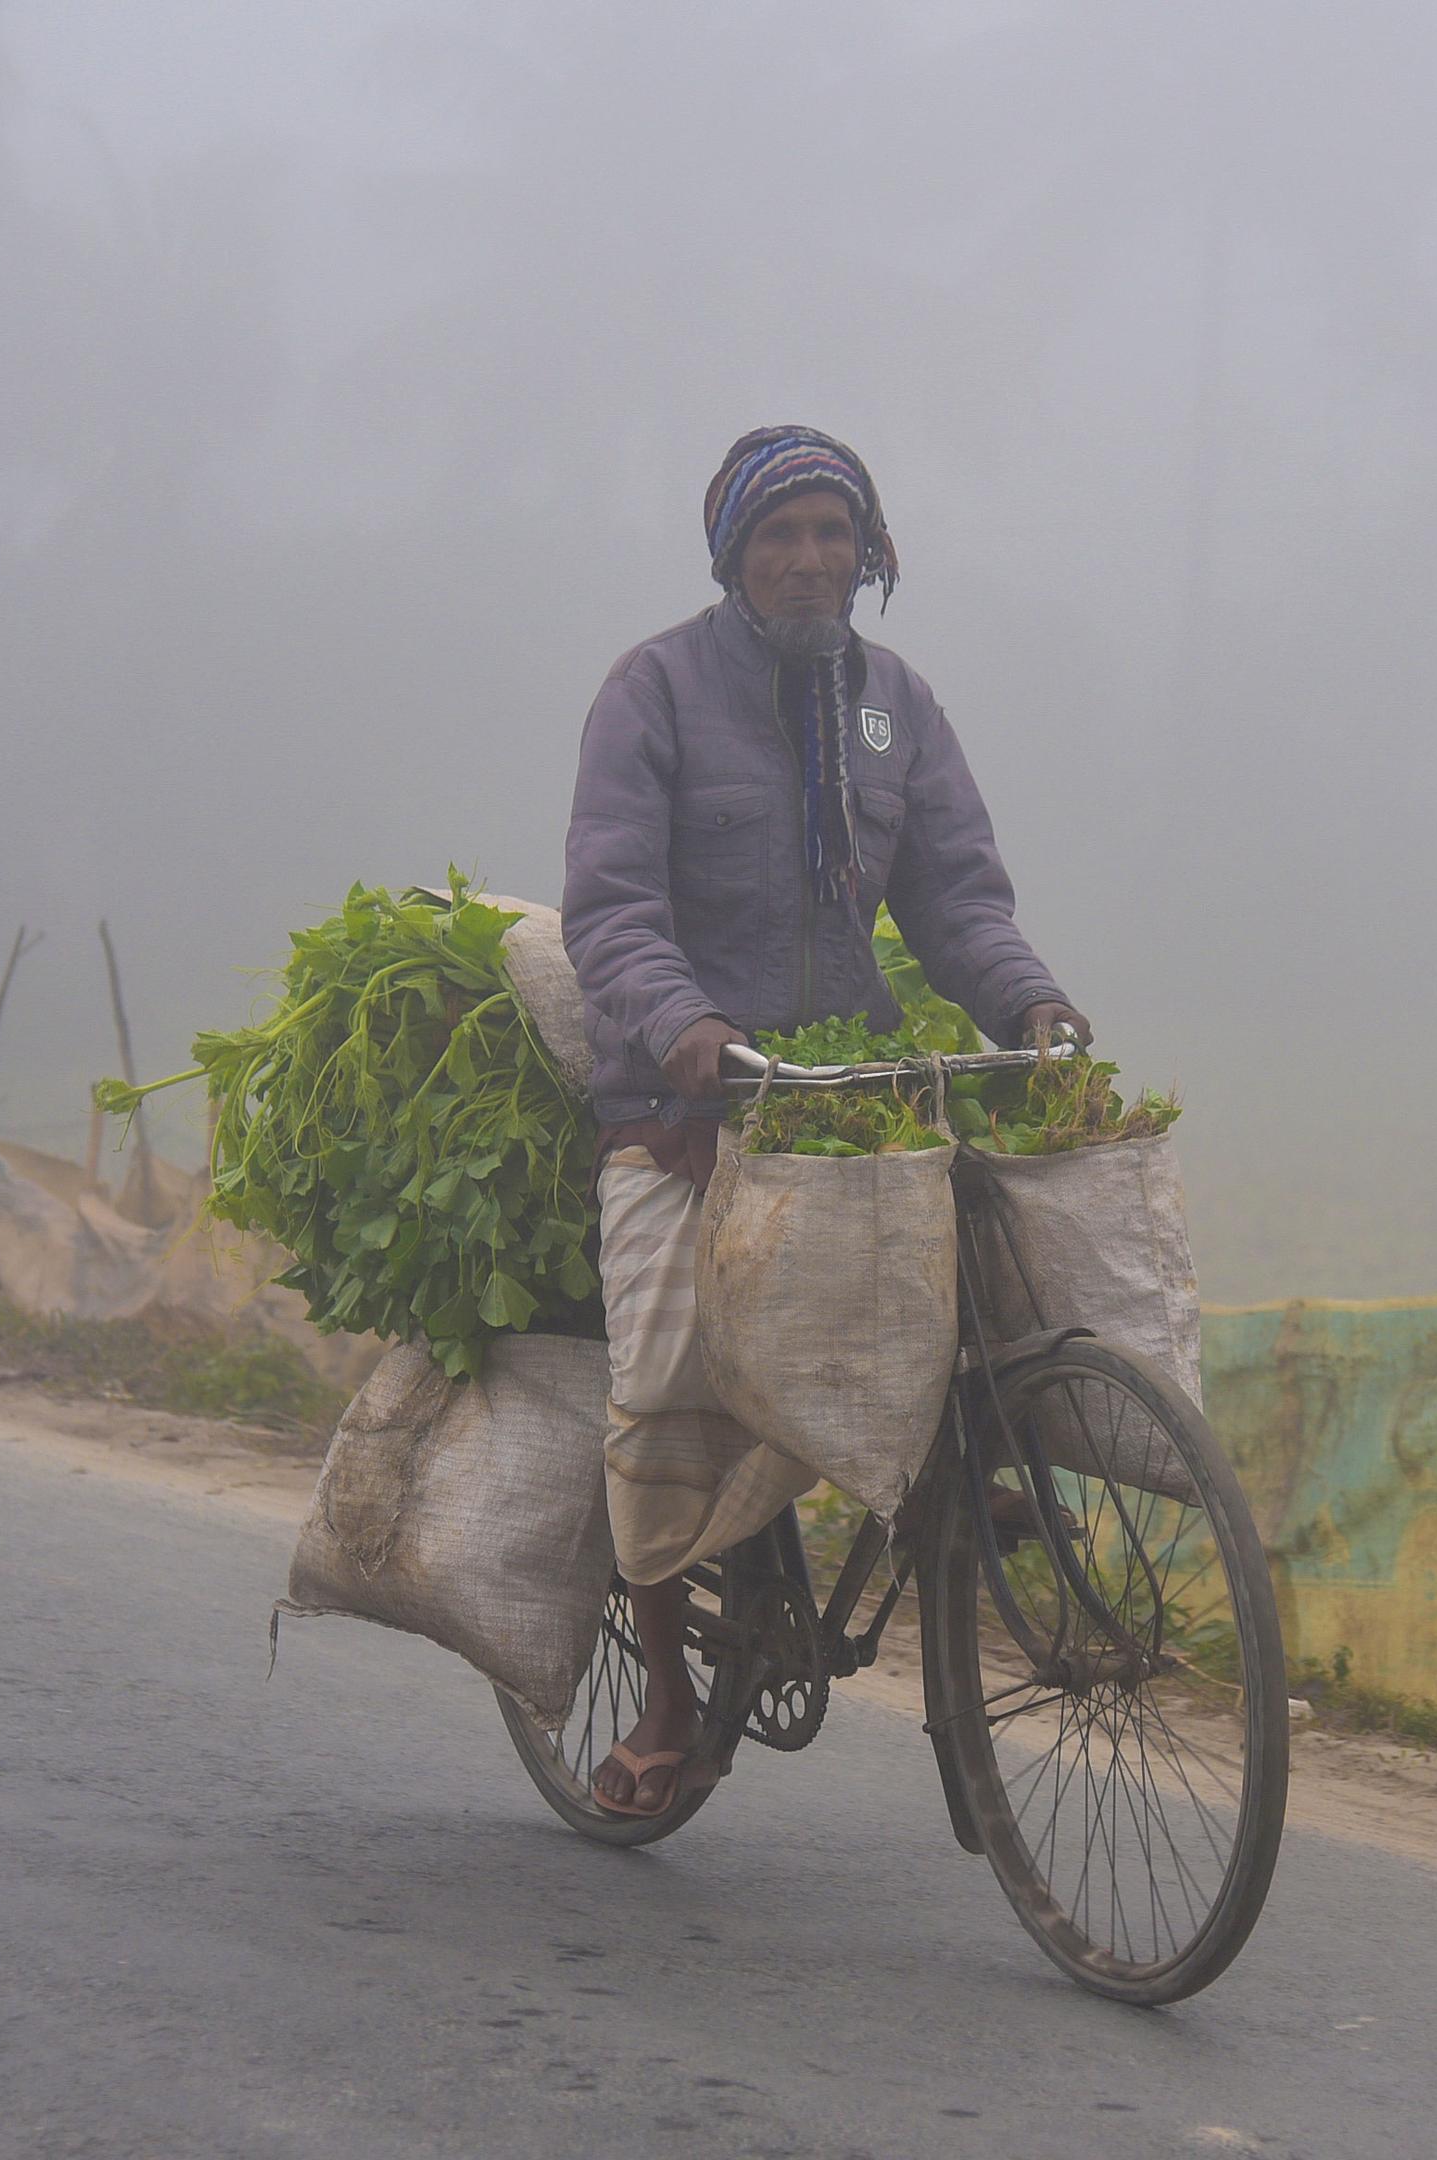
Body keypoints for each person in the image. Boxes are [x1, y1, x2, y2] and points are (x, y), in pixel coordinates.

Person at [561, 426, 1086, 1816]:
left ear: (870, 555)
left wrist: (1032, 1008)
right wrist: (691, 1035)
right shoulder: (656, 690)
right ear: (733, 554)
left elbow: (961, 901)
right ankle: (671, 1695)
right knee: (668, 1381)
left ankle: (960, 1477)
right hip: (685, 1106)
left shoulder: (895, 704)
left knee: (988, 1263)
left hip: (849, 1092)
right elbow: (611, 911)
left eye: (833, 535)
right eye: (779, 536)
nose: (809, 561)